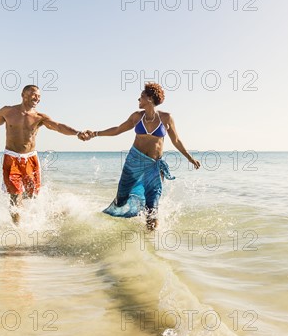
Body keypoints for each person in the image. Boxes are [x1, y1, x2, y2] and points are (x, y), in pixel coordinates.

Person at [0, 85, 87, 224]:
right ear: (23, 94)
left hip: (30, 159)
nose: (37, 98)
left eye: (39, 96)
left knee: (32, 195)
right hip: (11, 157)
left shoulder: (40, 117)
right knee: (14, 196)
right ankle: (18, 231)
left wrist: (77, 133)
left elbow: (58, 126)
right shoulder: (7, 112)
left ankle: (50, 212)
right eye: (34, 94)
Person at [82, 82, 200, 231]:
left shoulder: (166, 118)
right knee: (121, 199)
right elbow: (118, 129)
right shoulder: (137, 117)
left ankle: (150, 243)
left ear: (150, 99)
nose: (138, 100)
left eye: (141, 97)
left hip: (153, 166)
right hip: (133, 162)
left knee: (152, 206)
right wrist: (95, 133)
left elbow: (176, 140)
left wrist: (190, 158)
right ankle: (114, 225)